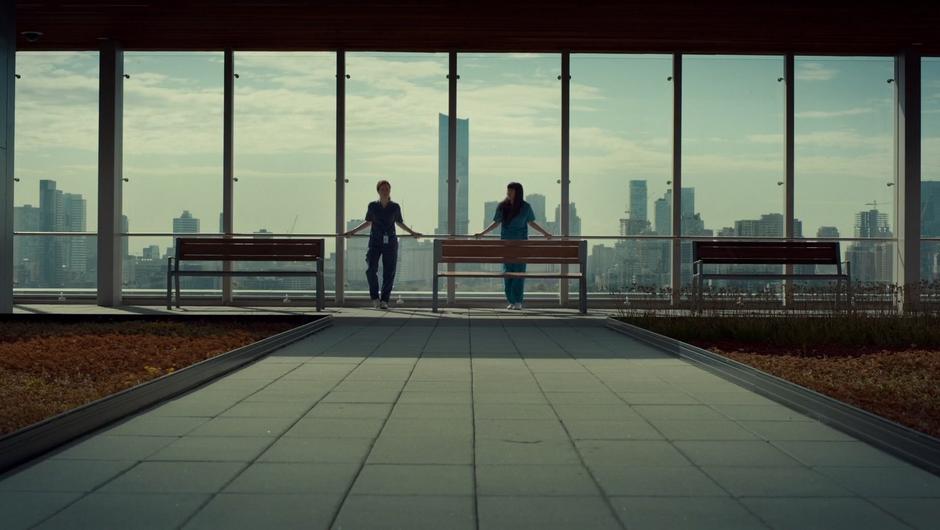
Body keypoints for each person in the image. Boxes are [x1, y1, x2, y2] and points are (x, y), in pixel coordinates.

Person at [475, 182, 553, 310]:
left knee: (519, 273)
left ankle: (518, 301)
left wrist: (545, 233)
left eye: (511, 190)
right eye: (508, 190)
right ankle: (511, 300)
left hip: (521, 245)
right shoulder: (502, 206)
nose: (508, 193)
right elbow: (496, 223)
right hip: (506, 245)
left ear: (518, 192)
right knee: (508, 272)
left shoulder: (526, 207)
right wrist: (483, 233)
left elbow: (531, 223)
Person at [345, 180, 422, 309]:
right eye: (382, 189)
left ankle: (384, 300)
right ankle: (375, 297)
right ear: (378, 191)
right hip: (375, 241)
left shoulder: (395, 207)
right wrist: (353, 232)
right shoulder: (372, 206)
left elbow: (399, 222)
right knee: (371, 270)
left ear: (390, 191)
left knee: (389, 272)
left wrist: (412, 232)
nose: (385, 191)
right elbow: (368, 222)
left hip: (390, 242)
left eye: (387, 189)